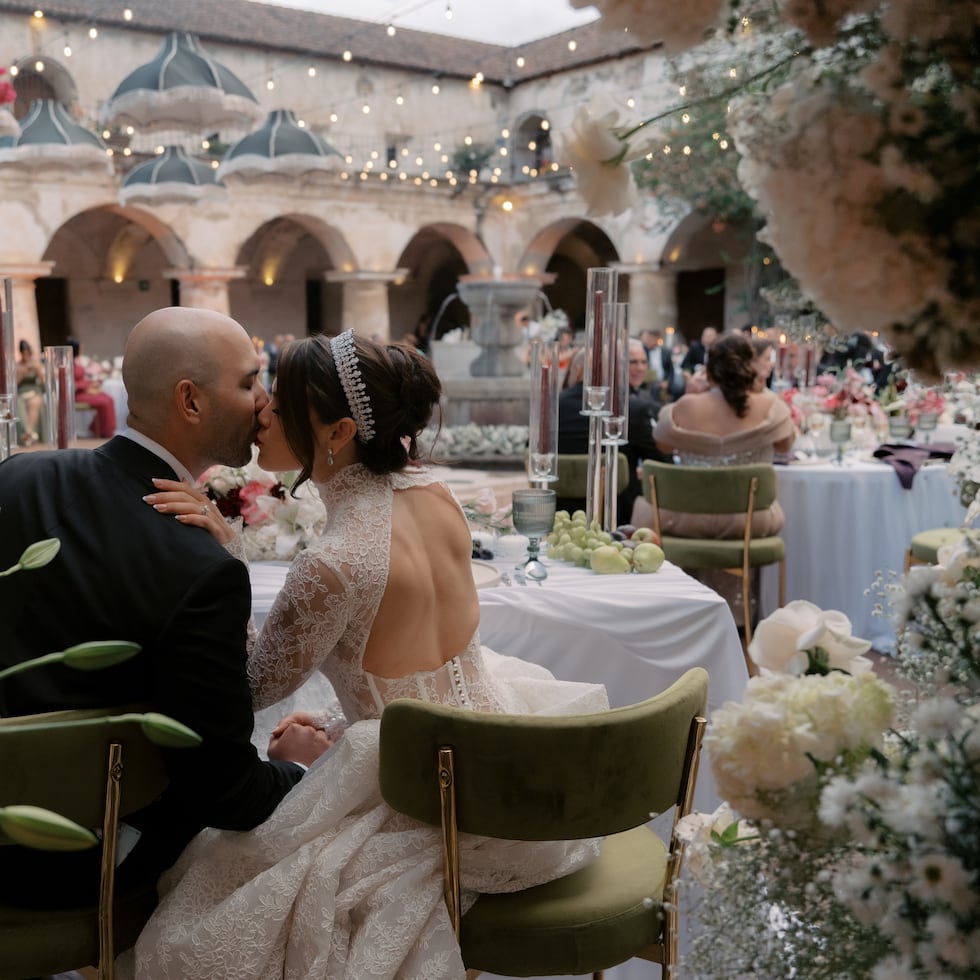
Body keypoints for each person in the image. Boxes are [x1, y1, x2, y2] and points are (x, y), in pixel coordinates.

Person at [124, 331, 608, 979]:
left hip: (413, 797)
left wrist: (223, 557)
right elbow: (396, 664)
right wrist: (333, 729)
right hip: (498, 757)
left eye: (282, 401)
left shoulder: (332, 563)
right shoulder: (437, 498)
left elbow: (247, 688)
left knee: (193, 918)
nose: (263, 408)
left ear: (339, 430)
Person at [0, 308, 321, 912]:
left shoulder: (17, 477)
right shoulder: (199, 570)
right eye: (250, 381)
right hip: (84, 863)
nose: (262, 402)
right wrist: (298, 769)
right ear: (190, 400)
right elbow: (227, 795)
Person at [652, 332, 795, 623]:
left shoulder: (686, 407)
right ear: (749, 368)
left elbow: (663, 444)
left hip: (687, 520)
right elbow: (786, 445)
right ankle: (745, 618)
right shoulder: (771, 407)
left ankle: (691, 614)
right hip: (748, 522)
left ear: (709, 370)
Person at [557, 340, 671, 523]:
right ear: (616, 371)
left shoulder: (554, 406)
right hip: (617, 519)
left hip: (560, 515)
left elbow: (532, 451)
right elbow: (662, 463)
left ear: (578, 370)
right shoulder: (631, 410)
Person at [68, 336, 117, 438]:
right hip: (76, 395)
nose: (82, 349)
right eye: (81, 347)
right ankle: (104, 431)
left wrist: (92, 383)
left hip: (83, 391)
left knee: (109, 398)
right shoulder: (68, 364)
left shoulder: (76, 361)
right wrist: (88, 385)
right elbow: (73, 385)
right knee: (104, 402)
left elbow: (81, 380)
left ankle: (102, 429)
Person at [15, 338, 45, 446]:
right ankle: (27, 433)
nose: (25, 354)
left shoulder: (36, 363)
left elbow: (43, 383)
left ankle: (28, 432)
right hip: (22, 392)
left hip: (34, 391)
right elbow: (15, 384)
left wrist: (38, 370)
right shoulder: (17, 365)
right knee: (18, 403)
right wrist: (22, 373)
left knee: (34, 403)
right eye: (23, 352)